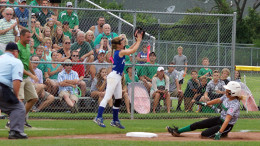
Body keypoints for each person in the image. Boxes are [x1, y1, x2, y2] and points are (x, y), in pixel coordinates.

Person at [93, 31, 143, 128]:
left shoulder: (120, 50)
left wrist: (136, 42)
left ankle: (115, 120)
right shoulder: (120, 52)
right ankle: (98, 117)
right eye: (122, 41)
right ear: (119, 45)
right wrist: (139, 41)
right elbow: (132, 51)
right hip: (113, 77)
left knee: (118, 98)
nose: (124, 42)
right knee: (107, 97)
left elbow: (130, 48)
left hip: (118, 77)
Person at [166, 81, 243, 140]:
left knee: (203, 135)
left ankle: (223, 134)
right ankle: (177, 131)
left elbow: (227, 120)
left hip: (227, 126)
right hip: (219, 119)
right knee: (197, 124)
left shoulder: (234, 104)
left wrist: (219, 132)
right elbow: (218, 100)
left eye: (228, 90)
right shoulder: (226, 97)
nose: (226, 91)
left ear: (233, 92)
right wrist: (206, 103)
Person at [0, 42, 27, 139]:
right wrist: (16, 96)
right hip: (2, 87)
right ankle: (15, 131)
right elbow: (16, 81)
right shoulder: (16, 61)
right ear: (15, 52)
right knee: (18, 108)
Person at [17, 29, 39, 128]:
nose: (29, 39)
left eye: (30, 37)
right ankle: (12, 122)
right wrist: (31, 75)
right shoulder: (17, 48)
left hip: (26, 77)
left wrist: (34, 73)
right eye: (27, 37)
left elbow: (28, 62)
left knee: (34, 98)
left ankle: (21, 118)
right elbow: (19, 66)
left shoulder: (27, 46)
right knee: (20, 100)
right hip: (18, 77)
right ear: (21, 36)